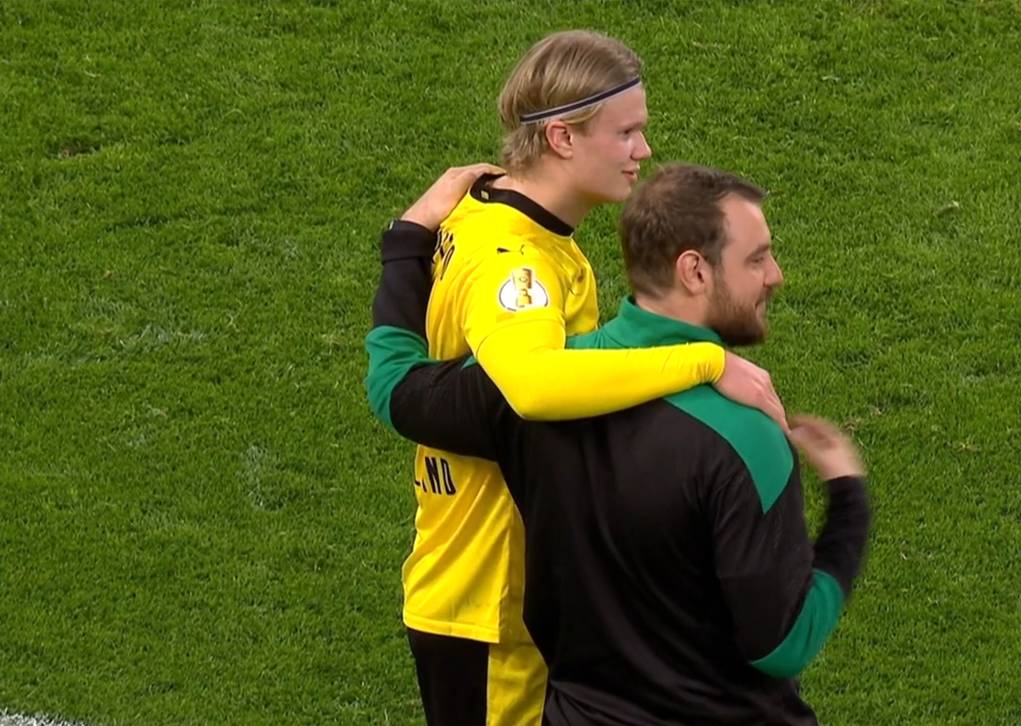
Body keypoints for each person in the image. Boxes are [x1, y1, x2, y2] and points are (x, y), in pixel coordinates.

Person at [365, 31, 786, 725]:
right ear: (561, 137)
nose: (643, 151)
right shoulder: (515, 265)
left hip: (502, 584)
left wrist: (407, 237)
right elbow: (534, 386)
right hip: (487, 600)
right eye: (626, 132)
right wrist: (707, 361)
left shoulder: (485, 209)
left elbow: (413, 388)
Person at [369, 163, 874, 724]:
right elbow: (783, 643)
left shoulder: (523, 391)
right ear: (694, 272)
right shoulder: (746, 437)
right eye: (756, 258)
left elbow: (396, 388)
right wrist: (849, 506)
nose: (775, 275)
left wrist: (407, 239)